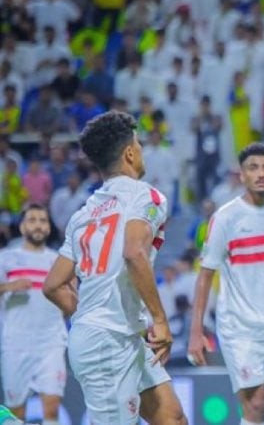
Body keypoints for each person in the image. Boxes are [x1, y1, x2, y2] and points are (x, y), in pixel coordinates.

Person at [42, 111, 187, 425]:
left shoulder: (84, 213)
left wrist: (89, 317)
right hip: (107, 343)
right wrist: (160, 320)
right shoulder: (146, 195)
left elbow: (53, 285)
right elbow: (134, 252)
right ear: (130, 153)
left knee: (173, 419)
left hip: (121, 335)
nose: (142, 150)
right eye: (139, 144)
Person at [187, 143, 264, 425]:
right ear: (242, 176)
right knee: (256, 407)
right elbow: (205, 274)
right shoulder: (225, 218)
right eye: (253, 168)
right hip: (240, 328)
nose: (261, 174)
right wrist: (196, 332)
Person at [0, 205, 65, 422]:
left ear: (49, 227)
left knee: (52, 408)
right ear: (22, 226)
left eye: (43, 220)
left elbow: (70, 298)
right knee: (16, 413)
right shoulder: (6, 257)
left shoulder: (59, 261)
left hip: (51, 342)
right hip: (15, 344)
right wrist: (9, 286)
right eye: (32, 220)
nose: (38, 225)